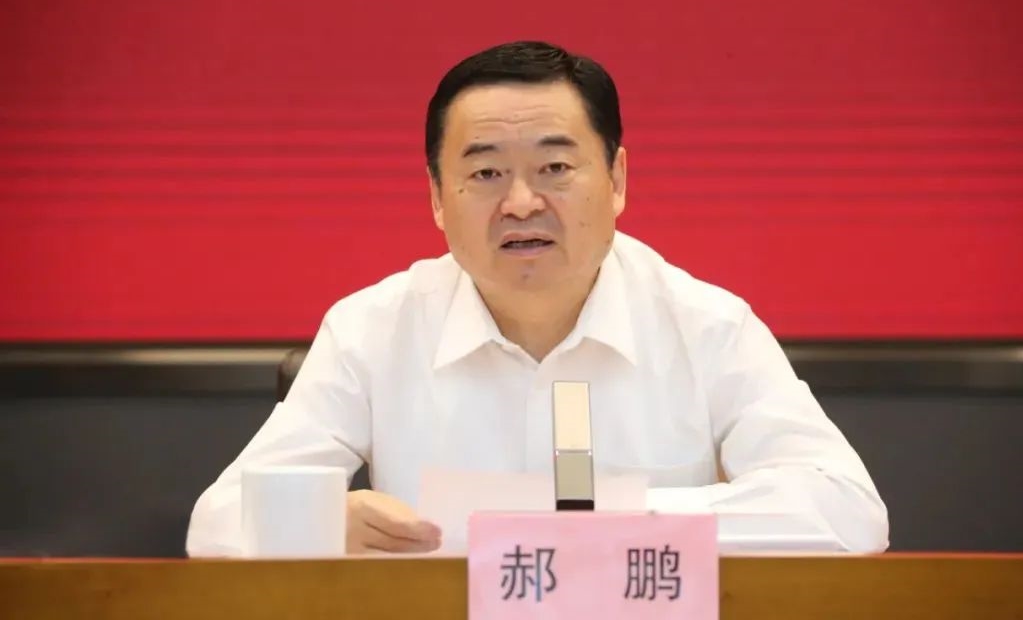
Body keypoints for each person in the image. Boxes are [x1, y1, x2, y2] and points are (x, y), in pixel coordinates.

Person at [186, 41, 888, 556]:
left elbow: (848, 511)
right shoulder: (371, 329)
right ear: (437, 198)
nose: (521, 203)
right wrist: (315, 524)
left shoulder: (708, 327)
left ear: (616, 180)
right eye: (486, 173)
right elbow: (215, 521)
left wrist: (603, 524)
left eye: (554, 167)